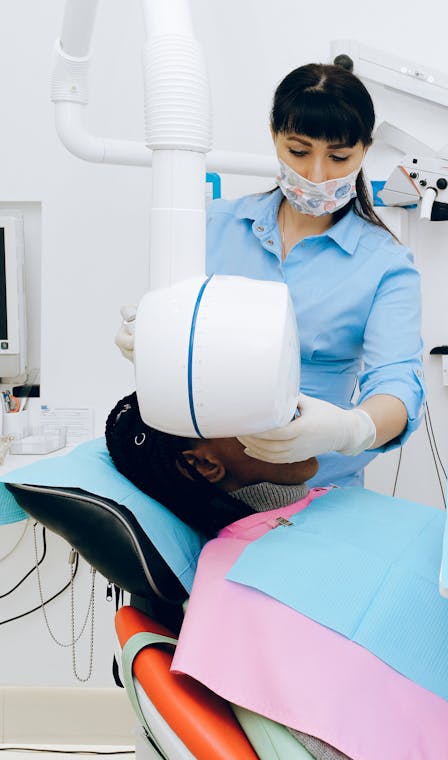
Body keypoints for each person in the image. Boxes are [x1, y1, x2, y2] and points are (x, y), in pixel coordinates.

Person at [105, 393, 448, 760]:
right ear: (205, 462)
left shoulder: (319, 516)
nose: (294, 411)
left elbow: (397, 386)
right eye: (264, 407)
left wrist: (355, 427)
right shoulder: (244, 596)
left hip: (305, 531)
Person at [118, 60, 425, 489]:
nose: (316, 175)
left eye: (338, 157)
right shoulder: (215, 226)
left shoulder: (385, 264)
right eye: (299, 152)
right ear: (274, 136)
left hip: (319, 487)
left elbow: (397, 384)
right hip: (207, 478)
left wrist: (349, 429)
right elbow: (176, 331)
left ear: (364, 152)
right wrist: (152, 340)